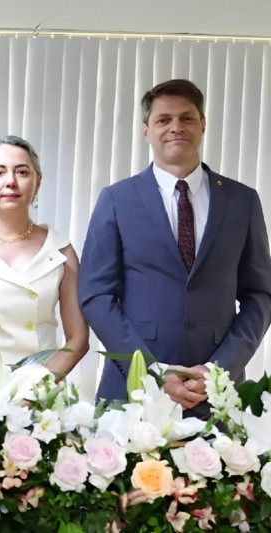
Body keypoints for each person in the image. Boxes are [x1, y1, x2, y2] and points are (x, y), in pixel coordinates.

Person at [79, 79, 271, 415]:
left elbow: (260, 295)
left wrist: (219, 370)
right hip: (133, 389)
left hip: (215, 394)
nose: (176, 128)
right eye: (163, 120)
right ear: (146, 130)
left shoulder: (242, 201)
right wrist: (152, 371)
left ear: (203, 125)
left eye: (187, 118)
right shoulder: (116, 199)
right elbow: (96, 295)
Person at [0, 137, 89, 382]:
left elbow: (78, 340)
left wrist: (34, 389)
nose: (11, 181)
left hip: (41, 391)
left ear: (37, 183)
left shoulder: (60, 250)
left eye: (22, 172)